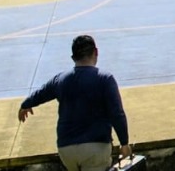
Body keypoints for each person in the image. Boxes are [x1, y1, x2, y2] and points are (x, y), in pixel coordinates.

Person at [18, 35, 132, 171]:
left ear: (73, 57)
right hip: (95, 147)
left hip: (66, 149)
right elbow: (116, 113)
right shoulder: (105, 79)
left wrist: (25, 104)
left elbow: (41, 93)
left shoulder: (60, 79)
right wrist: (124, 143)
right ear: (96, 52)